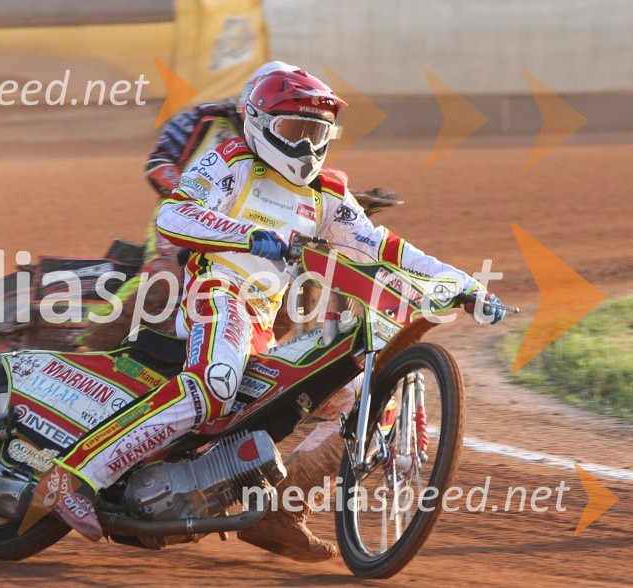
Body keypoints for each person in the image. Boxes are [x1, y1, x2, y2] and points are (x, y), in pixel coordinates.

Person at [34, 67, 506, 548]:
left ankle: (280, 512)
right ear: (258, 121)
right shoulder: (231, 160)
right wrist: (248, 235)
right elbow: (174, 213)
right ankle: (73, 473)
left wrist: (467, 286)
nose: (303, 147)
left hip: (261, 325)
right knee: (215, 383)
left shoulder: (328, 194)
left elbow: (388, 249)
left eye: (314, 134)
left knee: (360, 397)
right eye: (292, 132)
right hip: (215, 294)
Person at [74, 63, 400, 562]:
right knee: (156, 284)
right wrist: (202, 201)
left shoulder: (295, 148)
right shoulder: (202, 121)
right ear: (254, 104)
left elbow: (300, 201)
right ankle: (81, 357)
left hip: (258, 258)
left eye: (306, 127)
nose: (299, 134)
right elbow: (158, 167)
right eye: (287, 120)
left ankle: (283, 505)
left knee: (307, 311)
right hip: (188, 228)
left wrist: (355, 208)